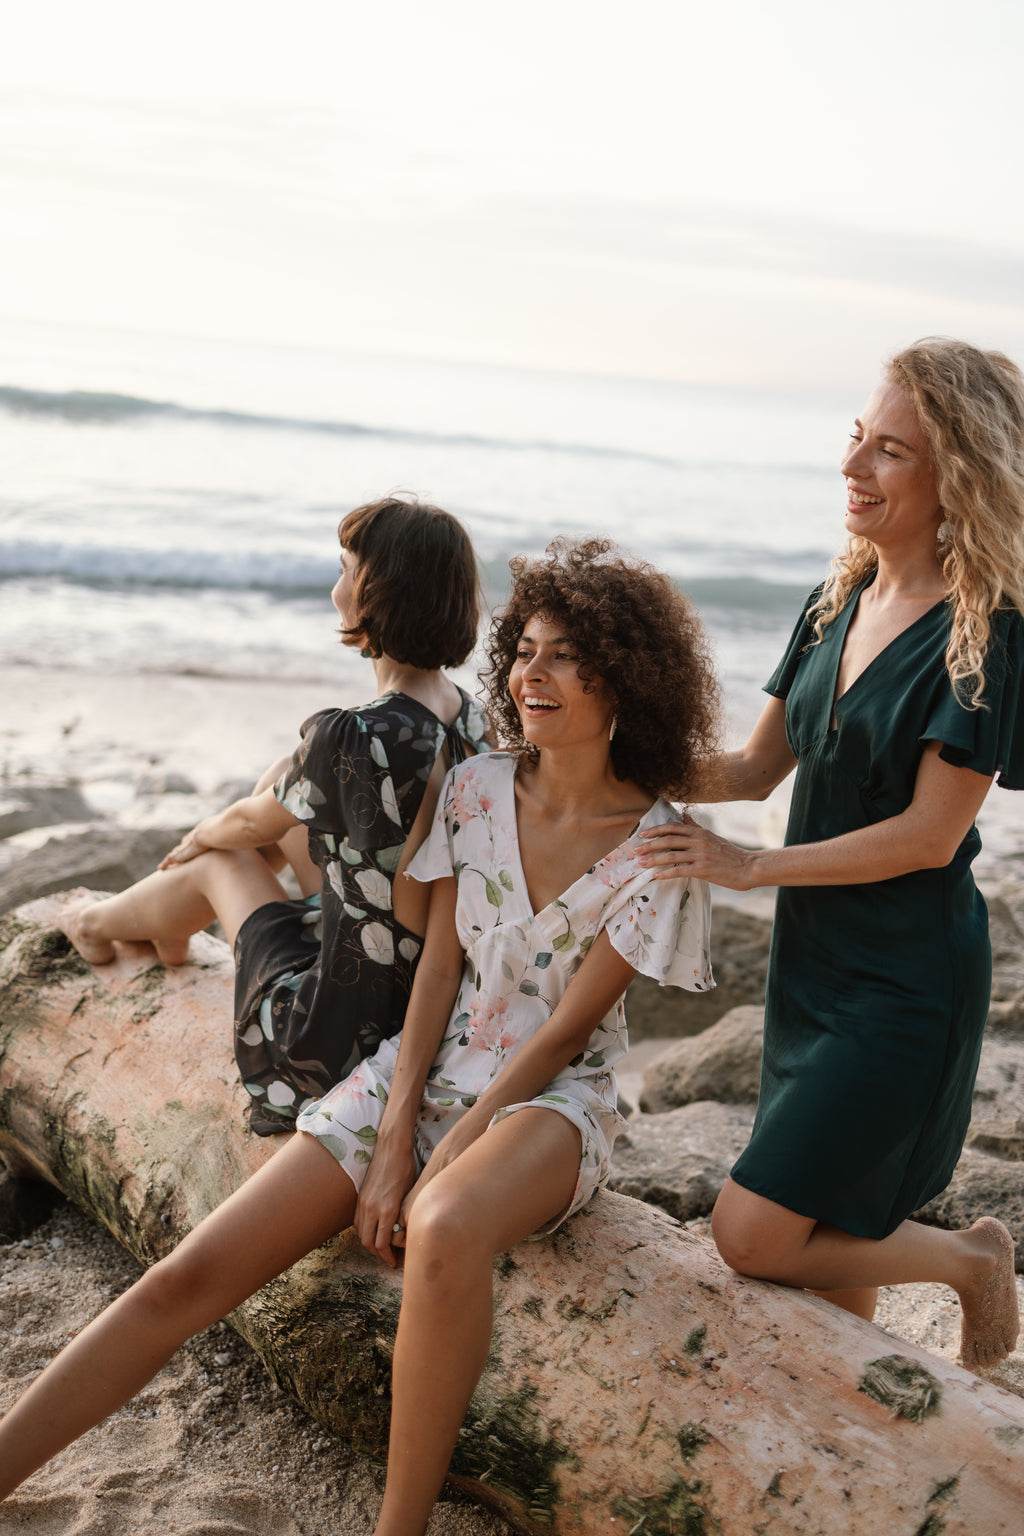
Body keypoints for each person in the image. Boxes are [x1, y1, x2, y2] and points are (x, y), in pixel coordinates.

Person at [0, 538, 720, 1531]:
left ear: (626, 680)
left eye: (570, 658)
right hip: (421, 1064)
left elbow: (561, 1035)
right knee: (192, 1275)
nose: (534, 676)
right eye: (528, 651)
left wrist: (440, 1157)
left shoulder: (661, 849)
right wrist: (390, 1138)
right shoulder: (476, 789)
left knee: (445, 1223)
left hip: (553, 1102)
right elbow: (437, 967)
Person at [641, 337, 1024, 1370]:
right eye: (856, 439)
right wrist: (605, 759)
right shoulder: (831, 602)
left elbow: (927, 835)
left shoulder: (986, 630)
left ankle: (973, 1263)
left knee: (754, 1232)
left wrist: (747, 869)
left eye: (889, 452)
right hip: (812, 966)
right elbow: (754, 768)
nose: (852, 469)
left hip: (905, 976)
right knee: (828, 1224)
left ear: (961, 475)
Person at [60, 495, 490, 1134]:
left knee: (223, 856)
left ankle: (97, 923)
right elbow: (282, 803)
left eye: (347, 569)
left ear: (380, 593)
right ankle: (171, 921)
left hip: (331, 1033)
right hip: (418, 990)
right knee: (285, 790)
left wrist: (195, 838)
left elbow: (246, 829)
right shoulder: (468, 713)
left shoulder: (355, 735)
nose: (336, 586)